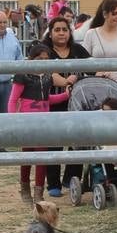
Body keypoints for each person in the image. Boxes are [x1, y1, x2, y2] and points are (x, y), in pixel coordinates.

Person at [10, 40, 71, 202]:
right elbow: (13, 99)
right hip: (27, 121)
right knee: (27, 156)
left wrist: (65, 96)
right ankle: (24, 188)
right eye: (40, 59)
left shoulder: (47, 77)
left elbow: (47, 99)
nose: (44, 62)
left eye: (46, 59)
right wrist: (11, 119)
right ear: (32, 59)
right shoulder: (22, 75)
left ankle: (38, 192)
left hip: (44, 121)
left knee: (41, 157)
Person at [42, 16, 90, 196]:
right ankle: (53, 184)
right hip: (51, 102)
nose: (61, 33)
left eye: (64, 29)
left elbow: (92, 66)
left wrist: (105, 72)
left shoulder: (78, 50)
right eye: (57, 29)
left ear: (70, 32)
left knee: (77, 141)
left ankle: (71, 179)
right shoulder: (44, 50)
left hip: (76, 103)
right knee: (54, 143)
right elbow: (48, 72)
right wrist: (66, 82)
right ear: (51, 32)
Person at [83, 0, 117, 83]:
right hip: (95, 84)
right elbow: (83, 63)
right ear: (105, 14)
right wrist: (95, 73)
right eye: (114, 13)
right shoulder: (91, 34)